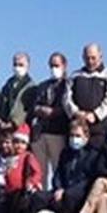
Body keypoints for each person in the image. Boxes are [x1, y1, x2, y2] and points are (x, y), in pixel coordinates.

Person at [47, 118, 105, 213]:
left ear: (86, 138)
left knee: (69, 196)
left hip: (79, 192)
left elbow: (87, 179)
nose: (74, 139)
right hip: (61, 189)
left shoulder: (93, 154)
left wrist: (66, 191)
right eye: (72, 135)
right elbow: (58, 174)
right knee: (39, 197)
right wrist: (59, 188)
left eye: (78, 136)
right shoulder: (65, 152)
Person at [65, 43, 107, 149]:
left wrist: (96, 115)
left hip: (98, 131)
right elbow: (66, 99)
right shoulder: (74, 76)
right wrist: (75, 112)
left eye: (93, 58)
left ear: (100, 56)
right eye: (87, 58)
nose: (90, 61)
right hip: (76, 131)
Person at [30, 52, 72, 187]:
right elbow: (34, 106)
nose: (54, 69)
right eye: (51, 66)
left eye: (57, 65)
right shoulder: (43, 86)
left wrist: (54, 112)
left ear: (64, 65)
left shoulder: (69, 84)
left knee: (58, 170)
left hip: (58, 133)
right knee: (39, 171)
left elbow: (68, 107)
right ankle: (40, 196)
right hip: (40, 133)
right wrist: (41, 110)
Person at [0, 52, 36, 128]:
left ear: (28, 66)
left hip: (22, 128)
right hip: (4, 127)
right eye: (15, 64)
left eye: (21, 65)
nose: (17, 67)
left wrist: (14, 123)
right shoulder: (8, 84)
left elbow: (28, 110)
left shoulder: (31, 86)